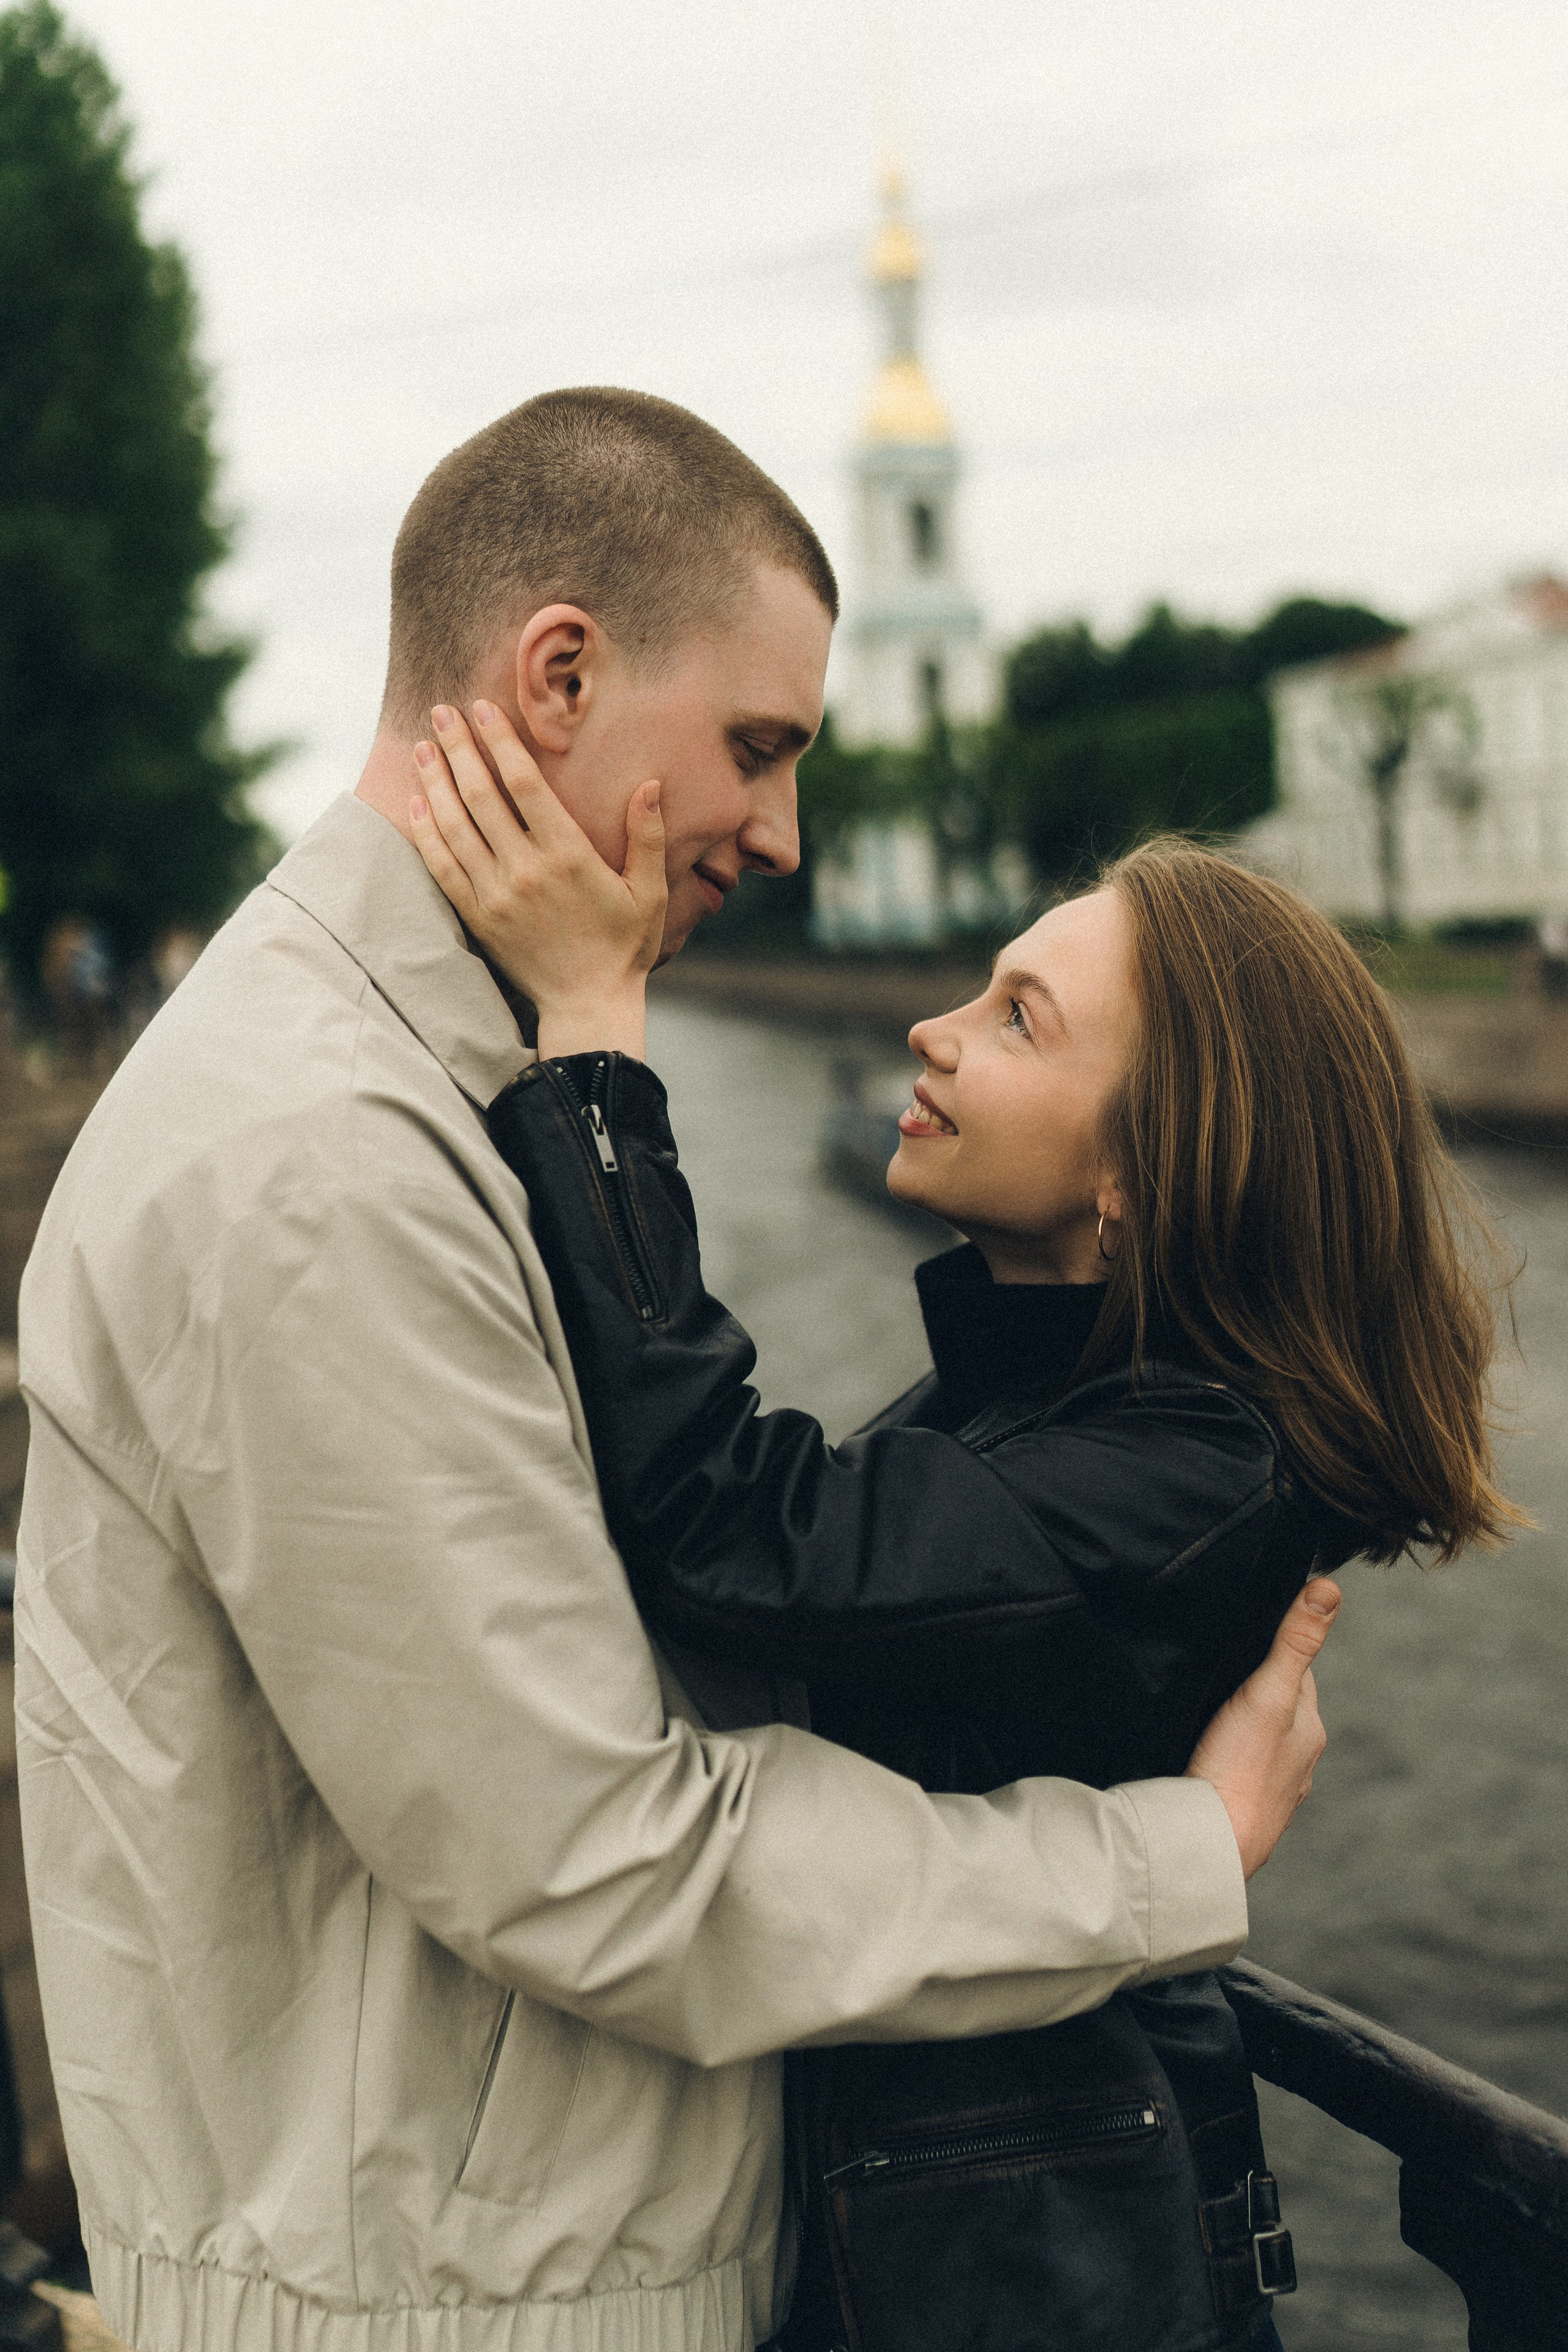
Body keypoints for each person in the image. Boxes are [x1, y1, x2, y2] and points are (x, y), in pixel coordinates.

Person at [17, 389, 1333, 2352]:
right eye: (758, 746)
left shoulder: (433, 1078)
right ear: (560, 673)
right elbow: (598, 1862)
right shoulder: (322, 1154)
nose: (785, 833)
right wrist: (1166, 1858)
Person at [405, 715, 1523, 2352]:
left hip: (1033, 2276)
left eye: (1015, 1017)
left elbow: (743, 1537)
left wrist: (593, 1054)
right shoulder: (1067, 1402)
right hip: (959, 2223)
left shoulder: (1198, 1469)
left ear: (1145, 1166)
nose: (928, 1032)